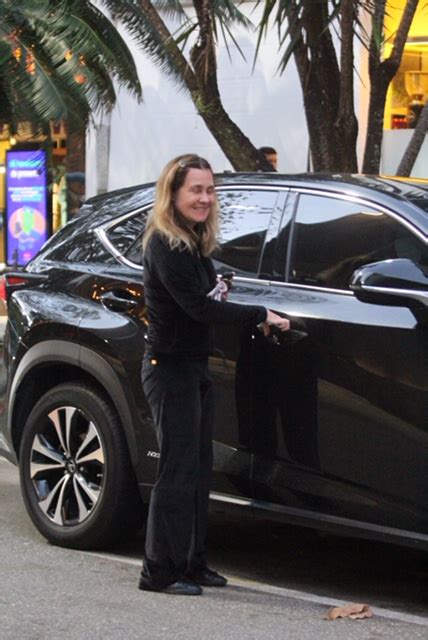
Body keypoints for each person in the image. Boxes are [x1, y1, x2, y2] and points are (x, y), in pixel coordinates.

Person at [139, 154, 289, 596]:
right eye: (195, 190)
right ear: (174, 194)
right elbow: (199, 308)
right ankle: (157, 572)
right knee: (177, 471)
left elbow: (202, 299)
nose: (204, 198)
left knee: (199, 470)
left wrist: (222, 287)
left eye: (209, 190)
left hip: (193, 367)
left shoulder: (192, 241)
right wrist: (259, 312)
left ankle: (191, 563)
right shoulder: (166, 244)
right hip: (169, 370)